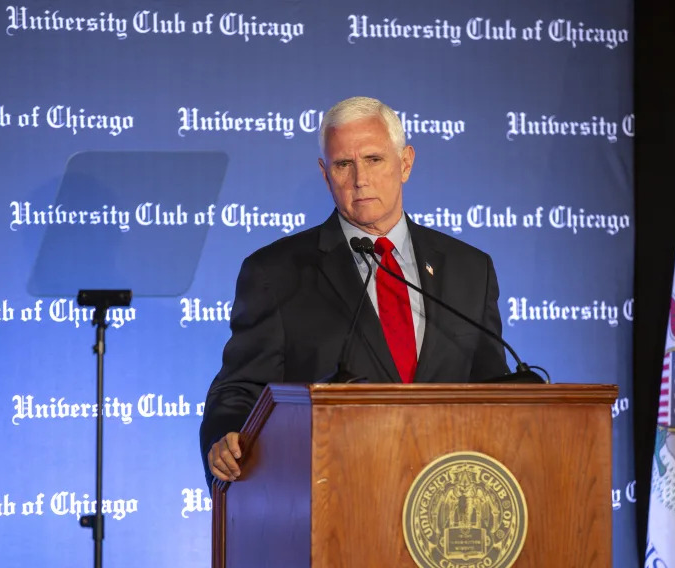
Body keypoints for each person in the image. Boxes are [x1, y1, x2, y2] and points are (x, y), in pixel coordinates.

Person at [199, 96, 508, 486]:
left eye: (374, 159)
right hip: (335, 497)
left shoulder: (470, 269)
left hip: (446, 503)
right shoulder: (276, 273)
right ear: (326, 175)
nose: (359, 179)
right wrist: (224, 437)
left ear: (406, 163)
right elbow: (241, 389)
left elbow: (494, 393)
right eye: (344, 164)